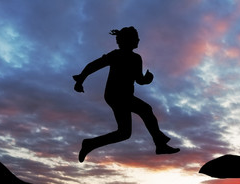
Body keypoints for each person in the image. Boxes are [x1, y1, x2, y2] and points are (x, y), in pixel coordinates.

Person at [73, 26, 180, 163]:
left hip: (125, 96)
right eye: (136, 38)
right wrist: (80, 80)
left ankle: (90, 144)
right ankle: (160, 144)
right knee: (146, 110)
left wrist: (147, 80)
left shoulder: (136, 58)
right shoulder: (116, 55)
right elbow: (94, 65)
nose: (139, 40)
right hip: (115, 95)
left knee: (124, 133)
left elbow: (139, 79)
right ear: (128, 40)